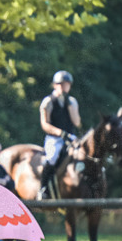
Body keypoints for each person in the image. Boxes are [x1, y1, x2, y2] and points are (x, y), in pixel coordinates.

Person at [39, 70, 82, 199]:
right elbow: (44, 124)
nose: (64, 87)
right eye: (61, 84)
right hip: (55, 138)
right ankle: (43, 188)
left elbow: (77, 122)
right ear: (55, 85)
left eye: (67, 84)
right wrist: (60, 133)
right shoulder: (48, 102)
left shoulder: (73, 102)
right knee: (52, 157)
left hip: (70, 137)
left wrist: (70, 107)